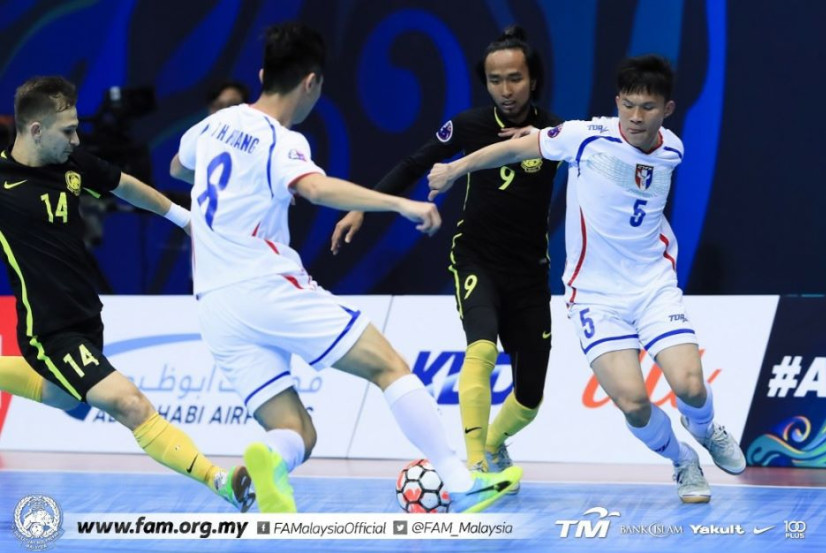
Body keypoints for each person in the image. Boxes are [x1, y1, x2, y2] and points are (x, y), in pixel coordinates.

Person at [169, 22, 521, 514]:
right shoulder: (281, 141)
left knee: (296, 431)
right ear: (311, 82)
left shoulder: (213, 125)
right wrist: (399, 204)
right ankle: (461, 483)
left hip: (213, 305)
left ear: (263, 75)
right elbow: (315, 188)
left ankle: (270, 459)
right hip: (266, 285)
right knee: (389, 366)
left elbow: (177, 168)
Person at [427, 54, 746, 503]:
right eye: (628, 105)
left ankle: (706, 429)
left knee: (691, 386)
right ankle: (683, 461)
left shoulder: (673, 149)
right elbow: (515, 150)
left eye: (648, 108)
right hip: (595, 296)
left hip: (653, 286)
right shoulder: (585, 137)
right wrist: (455, 168)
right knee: (633, 403)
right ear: (617, 102)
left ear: (667, 110)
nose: (636, 117)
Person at [0, 76, 253, 512]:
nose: (77, 139)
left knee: (62, 396)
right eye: (68, 131)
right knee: (130, 404)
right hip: (50, 331)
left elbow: (125, 185)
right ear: (36, 130)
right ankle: (221, 481)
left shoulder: (72, 163)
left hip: (86, 316)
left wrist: (185, 220)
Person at [331, 26, 561, 491]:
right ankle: (476, 468)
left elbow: (603, 151)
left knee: (530, 397)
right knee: (481, 348)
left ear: (533, 80)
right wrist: (361, 207)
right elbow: (413, 164)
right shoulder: (468, 125)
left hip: (530, 271)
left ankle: (493, 444)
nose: (506, 89)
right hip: (476, 257)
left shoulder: (556, 133)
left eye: (515, 78)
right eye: (495, 80)